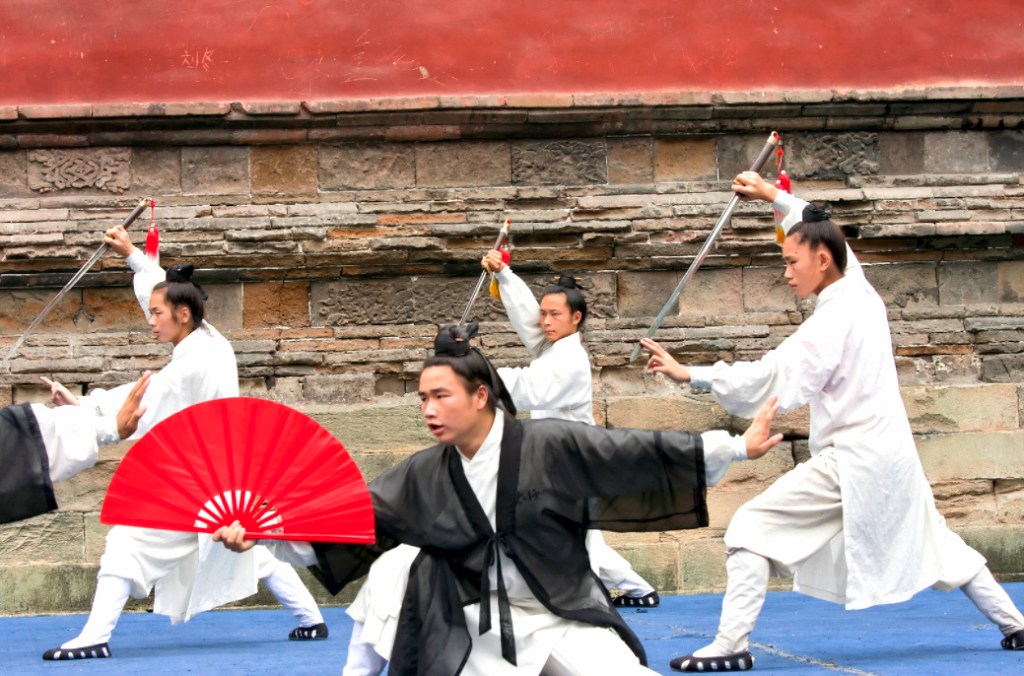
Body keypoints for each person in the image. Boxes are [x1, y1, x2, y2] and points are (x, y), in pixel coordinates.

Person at [215, 323, 784, 675]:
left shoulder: (549, 442)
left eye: (441, 396)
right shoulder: (424, 472)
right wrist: (261, 531)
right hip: (468, 620)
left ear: (481, 395)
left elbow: (633, 452)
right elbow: (352, 517)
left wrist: (735, 445)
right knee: (397, 577)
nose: (429, 410)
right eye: (422, 399)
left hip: (555, 605)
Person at [641, 171, 1024, 672]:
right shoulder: (860, 291)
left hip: (854, 461)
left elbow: (769, 376)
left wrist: (689, 372)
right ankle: (1014, 623)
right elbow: (817, 225)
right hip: (893, 455)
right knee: (938, 541)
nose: (785, 273)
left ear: (821, 261)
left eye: (790, 262)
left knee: (750, 529)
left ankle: (730, 645)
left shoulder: (829, 324)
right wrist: (772, 196)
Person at [41, 226, 328, 661]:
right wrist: (134, 255)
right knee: (243, 546)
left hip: (199, 480)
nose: (150, 319)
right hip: (223, 475)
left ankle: (94, 637)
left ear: (183, 316)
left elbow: (140, 403)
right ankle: (312, 617)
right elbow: (165, 293)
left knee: (127, 542)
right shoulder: (213, 341)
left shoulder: (189, 367)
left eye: (157, 314)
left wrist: (81, 408)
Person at [483, 253, 659, 607]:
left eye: (554, 315)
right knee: (579, 534)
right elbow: (527, 320)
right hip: (557, 461)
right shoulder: (552, 347)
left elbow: (529, 386)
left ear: (576, 319)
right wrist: (505, 276)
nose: (545, 322)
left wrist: (474, 376)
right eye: (543, 314)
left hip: (575, 462)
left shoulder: (569, 361)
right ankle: (638, 589)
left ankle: (587, 598)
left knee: (574, 534)